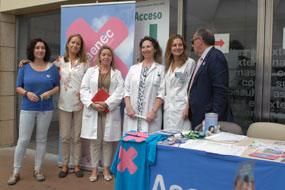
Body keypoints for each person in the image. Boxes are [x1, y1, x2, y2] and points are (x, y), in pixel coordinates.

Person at [8, 38, 59, 185]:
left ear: (46, 50)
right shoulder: (24, 67)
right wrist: (27, 93)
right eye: (37, 48)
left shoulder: (52, 67)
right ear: (32, 50)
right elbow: (18, 87)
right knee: (23, 140)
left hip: (46, 109)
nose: (40, 50)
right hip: (28, 108)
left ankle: (37, 169)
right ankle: (15, 171)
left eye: (42, 48)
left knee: (41, 139)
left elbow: (57, 86)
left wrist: (49, 92)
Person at [80, 45, 124, 182]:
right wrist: (92, 104)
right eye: (103, 54)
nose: (106, 57)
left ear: (112, 58)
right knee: (95, 141)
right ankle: (94, 169)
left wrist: (106, 104)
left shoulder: (117, 73)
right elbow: (83, 89)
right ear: (99, 56)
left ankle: (106, 168)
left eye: (109, 55)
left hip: (108, 111)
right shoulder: (90, 72)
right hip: (94, 111)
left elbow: (120, 92)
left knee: (107, 142)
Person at [54, 34, 89, 178]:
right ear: (68, 44)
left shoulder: (85, 63)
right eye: (73, 42)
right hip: (63, 103)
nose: (75, 45)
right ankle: (64, 165)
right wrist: (27, 62)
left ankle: (76, 165)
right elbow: (43, 69)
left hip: (80, 105)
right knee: (65, 137)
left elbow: (88, 83)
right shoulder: (59, 61)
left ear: (80, 47)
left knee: (77, 137)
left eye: (78, 44)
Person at [188, 28, 233, 129]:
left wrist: (212, 117)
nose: (192, 45)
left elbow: (220, 91)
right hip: (199, 116)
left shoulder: (216, 57)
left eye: (193, 41)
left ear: (200, 40)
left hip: (208, 120)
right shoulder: (203, 59)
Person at [123, 36, 165, 134]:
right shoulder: (133, 69)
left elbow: (161, 93)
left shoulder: (161, 69)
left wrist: (153, 112)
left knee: (148, 143)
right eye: (143, 47)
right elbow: (126, 90)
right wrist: (129, 108)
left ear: (155, 49)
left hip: (150, 117)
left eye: (148, 47)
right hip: (132, 115)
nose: (145, 49)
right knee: (132, 144)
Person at [163, 34, 195, 130]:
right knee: (168, 139)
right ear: (170, 48)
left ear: (184, 47)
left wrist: (187, 108)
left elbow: (192, 87)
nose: (177, 48)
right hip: (169, 108)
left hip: (182, 108)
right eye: (174, 45)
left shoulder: (190, 63)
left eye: (180, 45)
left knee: (182, 138)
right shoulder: (168, 64)